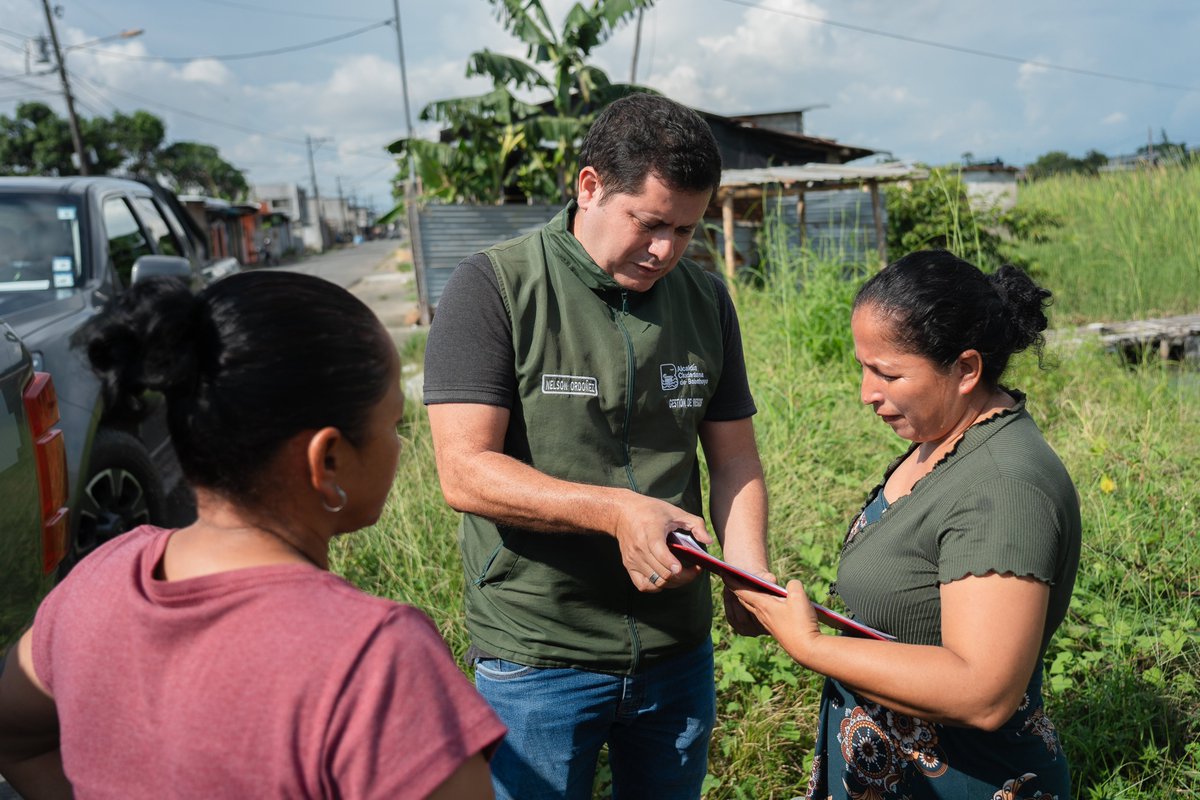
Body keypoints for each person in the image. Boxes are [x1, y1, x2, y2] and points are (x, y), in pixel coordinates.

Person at [0, 271, 505, 799]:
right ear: (327, 460)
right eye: (393, 426)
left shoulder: (96, 582)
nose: (401, 446)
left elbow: (16, 738)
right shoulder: (377, 659)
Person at [423, 92, 770, 799]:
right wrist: (616, 510)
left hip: (676, 650)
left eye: (686, 230)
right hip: (539, 652)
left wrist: (748, 574)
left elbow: (733, 459)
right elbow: (464, 472)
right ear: (590, 187)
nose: (666, 250)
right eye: (649, 223)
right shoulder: (496, 287)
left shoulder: (704, 301)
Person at [734, 250, 1081, 799]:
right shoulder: (942, 441)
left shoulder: (1002, 488)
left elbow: (983, 691)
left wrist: (811, 644)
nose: (866, 393)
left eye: (888, 373)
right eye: (863, 367)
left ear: (966, 370)